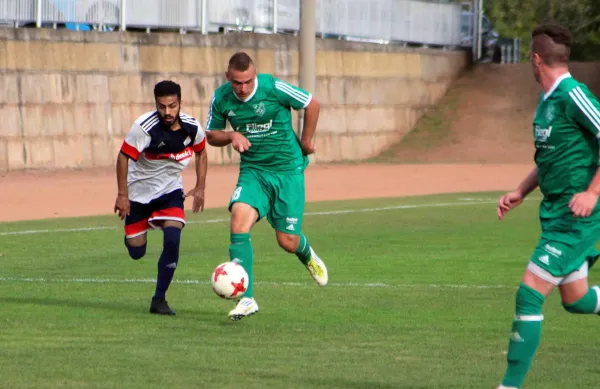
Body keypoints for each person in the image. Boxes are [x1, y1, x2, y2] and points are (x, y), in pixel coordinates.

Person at [496, 23, 600, 389]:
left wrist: (593, 192)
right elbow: (551, 158)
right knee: (577, 299)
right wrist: (521, 191)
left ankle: (509, 386)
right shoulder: (547, 101)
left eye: (528, 56)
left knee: (529, 293)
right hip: (555, 215)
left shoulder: (574, 94)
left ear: (536, 59)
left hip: (579, 218)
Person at [205, 52, 328, 321]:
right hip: (254, 171)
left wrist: (307, 141)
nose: (244, 88)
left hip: (287, 170)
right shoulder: (221, 98)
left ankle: (306, 254)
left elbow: (312, 103)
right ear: (228, 78)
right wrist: (231, 135)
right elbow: (211, 135)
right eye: (238, 83)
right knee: (238, 220)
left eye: (249, 81)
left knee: (287, 241)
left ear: (255, 75)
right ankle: (247, 299)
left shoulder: (272, 87)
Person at [114, 80, 208, 316]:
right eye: (162, 106)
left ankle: (159, 299)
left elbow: (202, 152)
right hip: (139, 194)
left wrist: (200, 186)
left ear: (180, 103)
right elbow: (123, 157)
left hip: (170, 192)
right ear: (156, 104)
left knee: (173, 237)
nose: (167, 112)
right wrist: (122, 195)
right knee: (137, 252)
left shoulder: (192, 127)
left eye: (172, 106)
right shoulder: (144, 128)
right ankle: (136, 232)